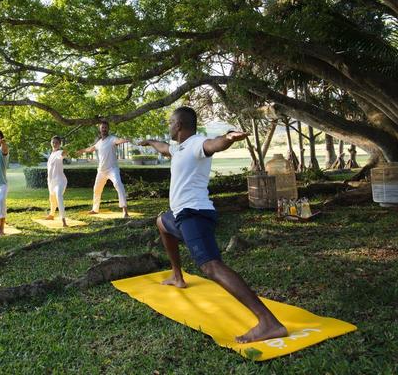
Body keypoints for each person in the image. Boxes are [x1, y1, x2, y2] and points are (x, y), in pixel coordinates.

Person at [137, 107, 287, 343]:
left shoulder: (197, 143)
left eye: (170, 122)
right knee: (161, 222)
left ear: (178, 125)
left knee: (211, 267)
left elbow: (214, 145)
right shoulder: (179, 148)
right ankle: (178, 277)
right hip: (180, 215)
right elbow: (163, 147)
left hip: (194, 214)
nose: (168, 126)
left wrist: (227, 139)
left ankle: (269, 322)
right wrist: (149, 142)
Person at [77, 120, 130, 217]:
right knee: (96, 189)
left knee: (119, 185)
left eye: (105, 128)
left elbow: (118, 141)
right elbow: (90, 149)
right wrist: (80, 151)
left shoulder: (112, 139)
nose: (104, 129)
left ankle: (125, 211)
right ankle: (95, 209)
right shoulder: (99, 143)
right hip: (101, 171)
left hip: (112, 169)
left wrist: (124, 140)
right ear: (100, 129)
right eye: (102, 128)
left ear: (108, 129)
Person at [44, 136, 69, 227]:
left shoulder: (59, 152)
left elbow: (63, 154)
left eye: (56, 143)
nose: (54, 144)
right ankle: (51, 215)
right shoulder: (51, 154)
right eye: (53, 142)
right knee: (52, 199)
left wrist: (66, 150)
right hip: (51, 182)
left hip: (60, 181)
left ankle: (63, 220)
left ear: (59, 144)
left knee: (58, 197)